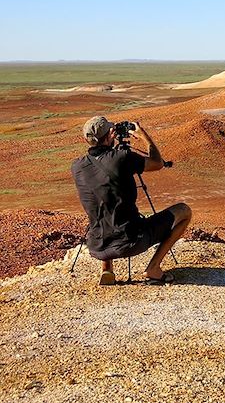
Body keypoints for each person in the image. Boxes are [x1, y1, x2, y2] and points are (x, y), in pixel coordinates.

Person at [71, 116, 192, 285]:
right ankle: (154, 268)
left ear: (86, 140)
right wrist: (143, 136)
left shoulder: (77, 166)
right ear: (111, 135)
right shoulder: (122, 158)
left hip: (96, 247)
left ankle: (107, 270)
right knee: (184, 211)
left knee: (103, 201)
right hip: (131, 242)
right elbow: (157, 163)